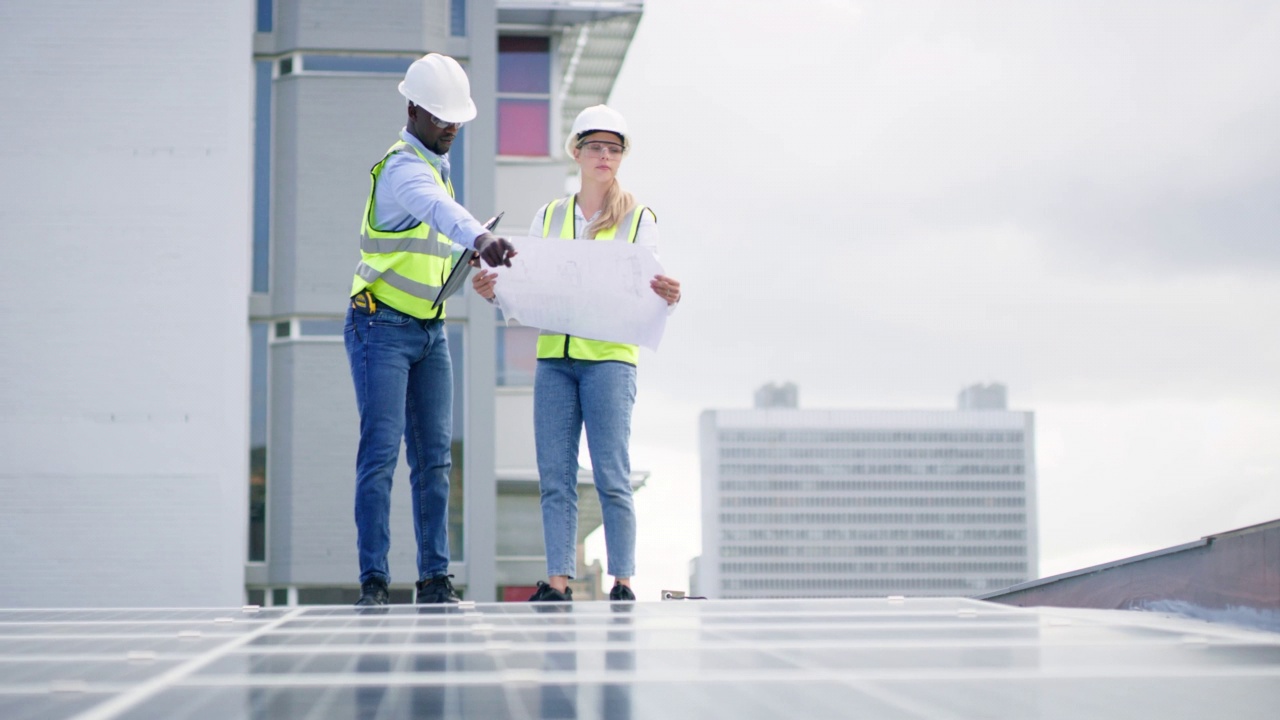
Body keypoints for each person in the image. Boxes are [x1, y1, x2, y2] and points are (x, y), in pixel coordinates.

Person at [471, 105, 681, 602]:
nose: (603, 156)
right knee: (556, 475)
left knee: (611, 473)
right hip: (556, 361)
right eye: (595, 147)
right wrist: (494, 291)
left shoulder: (638, 218)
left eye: (613, 148)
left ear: (621, 157)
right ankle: (559, 581)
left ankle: (623, 582)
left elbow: (654, 288)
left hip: (609, 360)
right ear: (577, 153)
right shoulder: (550, 215)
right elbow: (530, 283)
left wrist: (672, 294)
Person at [346, 53, 515, 607]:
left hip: (428, 330)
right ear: (413, 109)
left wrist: (472, 268)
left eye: (456, 119)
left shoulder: (437, 165)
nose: (451, 127)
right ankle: (374, 583)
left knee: (436, 461)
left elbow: (433, 246)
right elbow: (438, 211)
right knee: (380, 455)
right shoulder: (402, 167)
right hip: (380, 327)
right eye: (441, 117)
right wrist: (477, 238)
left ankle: (435, 582)